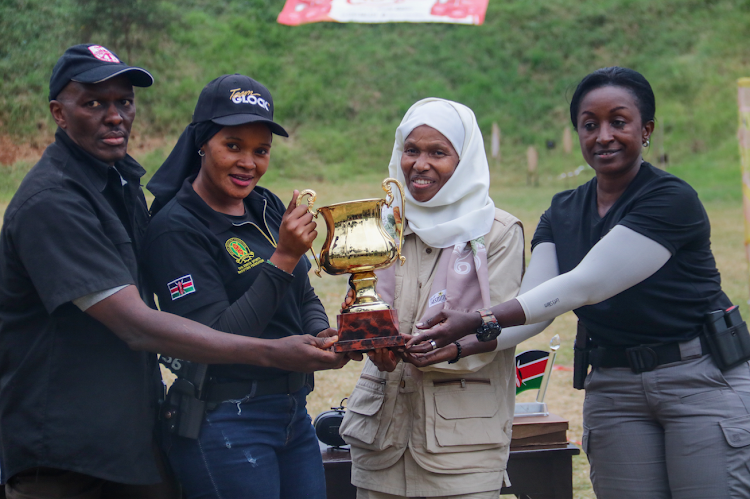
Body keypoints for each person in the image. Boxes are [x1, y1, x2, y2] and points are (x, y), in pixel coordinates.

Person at [0, 45, 345, 499]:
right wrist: (273, 349)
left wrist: (320, 334)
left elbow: (301, 292)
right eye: (93, 102)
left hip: (132, 435)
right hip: (66, 449)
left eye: (124, 101)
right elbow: (137, 325)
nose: (115, 115)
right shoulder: (56, 202)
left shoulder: (117, 184)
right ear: (58, 114)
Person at [409, 67, 750, 498]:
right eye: (590, 125)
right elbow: (534, 308)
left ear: (646, 130)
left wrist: (474, 318)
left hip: (699, 379)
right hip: (615, 387)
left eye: (618, 122)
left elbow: (584, 285)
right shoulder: (562, 211)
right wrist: (461, 343)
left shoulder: (670, 200)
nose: (603, 135)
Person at [141, 73, 348, 499]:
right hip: (225, 420)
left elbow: (303, 291)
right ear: (202, 143)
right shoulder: (175, 228)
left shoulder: (265, 204)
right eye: (232, 146)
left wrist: (320, 334)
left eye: (261, 150)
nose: (248, 163)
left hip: (291, 413)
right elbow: (214, 338)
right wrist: (284, 256)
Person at [339, 98, 527, 499]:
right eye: (411, 150)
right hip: (379, 444)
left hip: (461, 451)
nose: (420, 164)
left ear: (466, 159)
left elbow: (504, 326)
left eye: (438, 152)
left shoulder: (498, 233)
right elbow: (362, 307)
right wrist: (366, 339)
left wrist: (452, 347)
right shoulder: (380, 225)